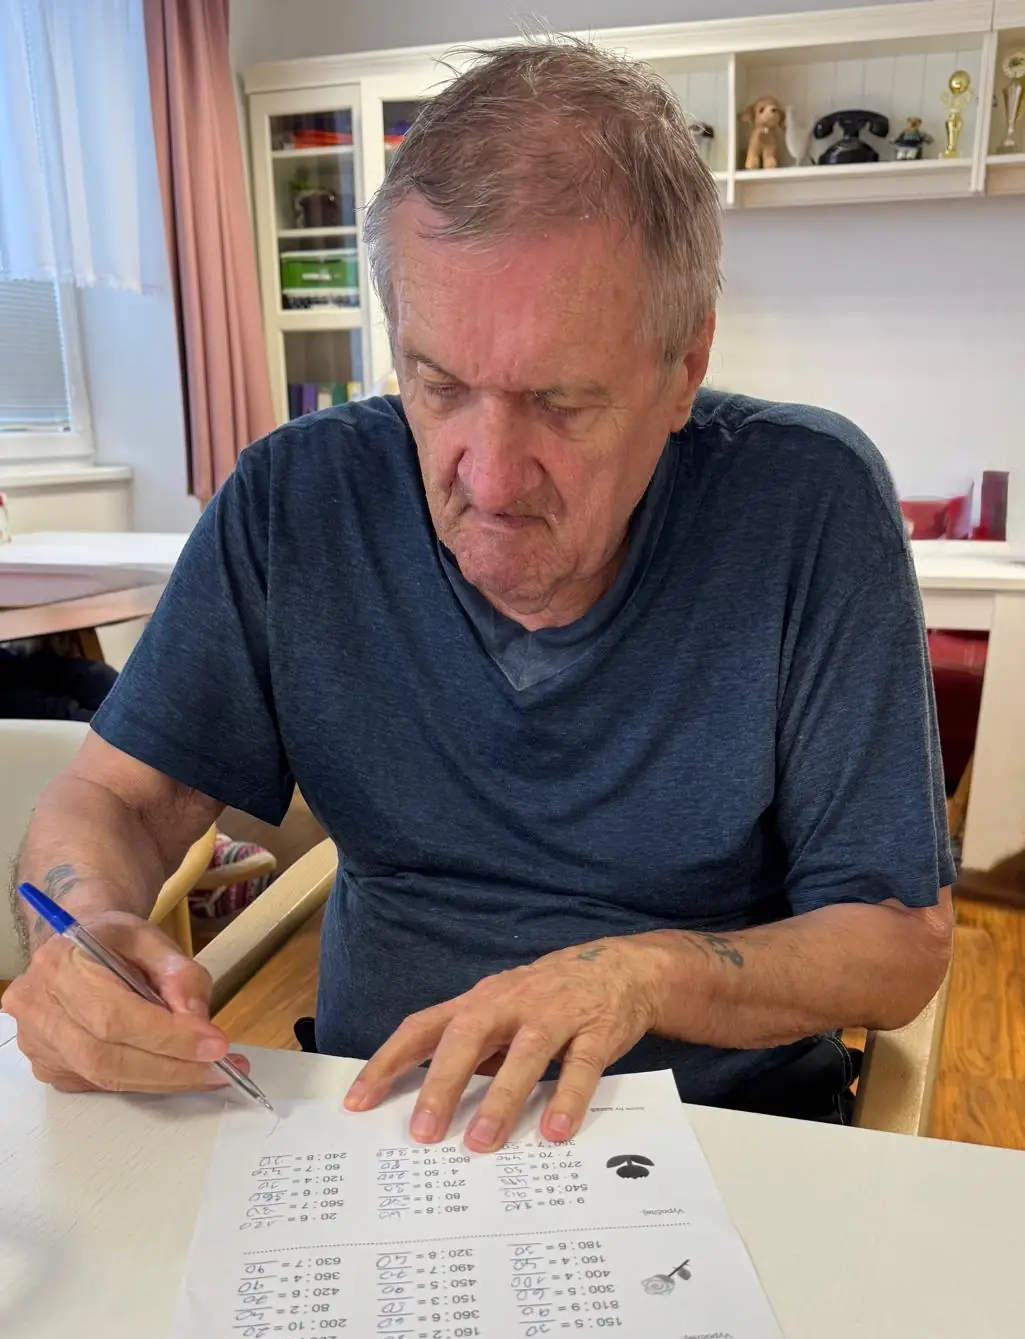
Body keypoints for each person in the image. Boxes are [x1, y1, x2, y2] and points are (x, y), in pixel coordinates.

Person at [4, 39, 954, 1151]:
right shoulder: (295, 500)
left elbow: (896, 943)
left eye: (563, 402)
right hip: (378, 1133)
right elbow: (113, 801)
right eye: (439, 384)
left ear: (682, 367)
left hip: (721, 1140)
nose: (489, 480)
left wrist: (639, 976)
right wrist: (83, 934)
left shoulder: (805, 501)